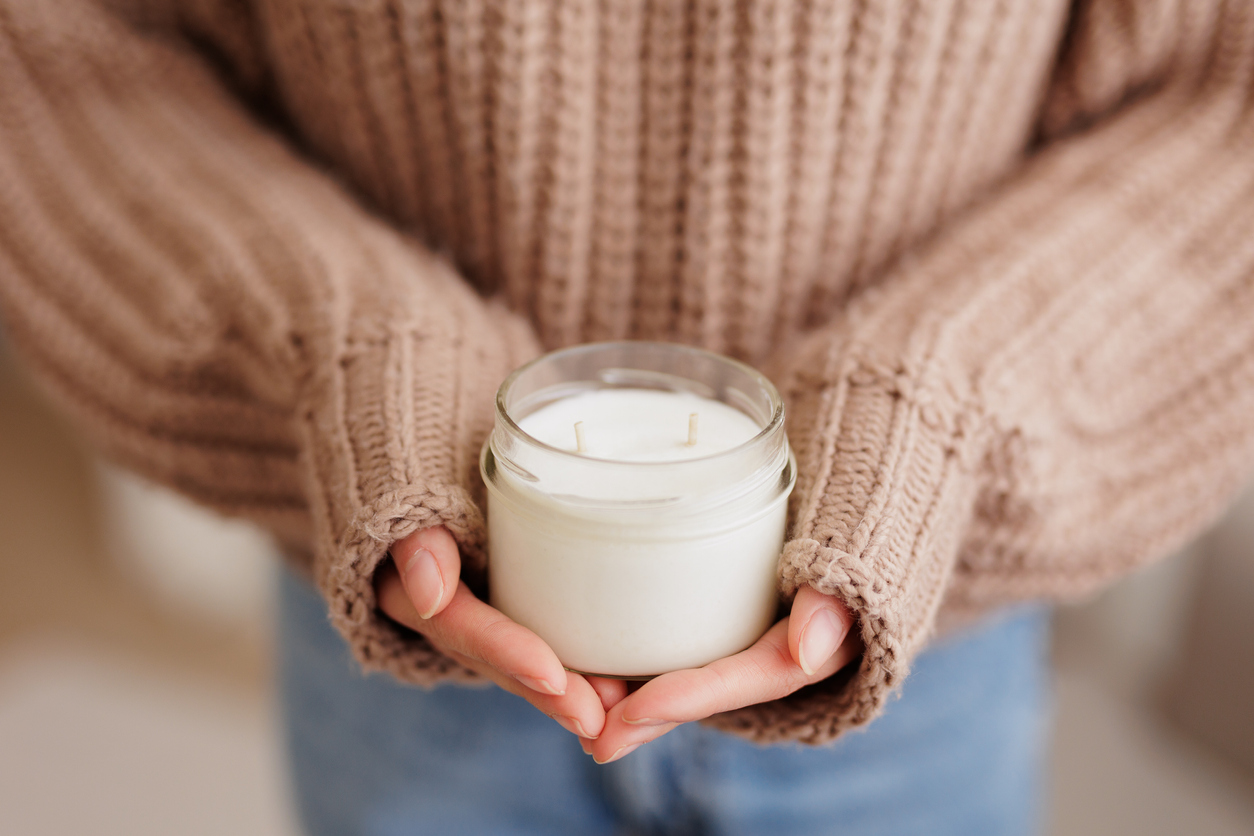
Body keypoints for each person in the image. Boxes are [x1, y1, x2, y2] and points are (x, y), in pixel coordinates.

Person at [1, 0, 1252, 833]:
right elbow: (72, 55)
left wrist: (926, 421)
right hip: (408, 637)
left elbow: (1222, 101)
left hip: (914, 647)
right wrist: (360, 357)